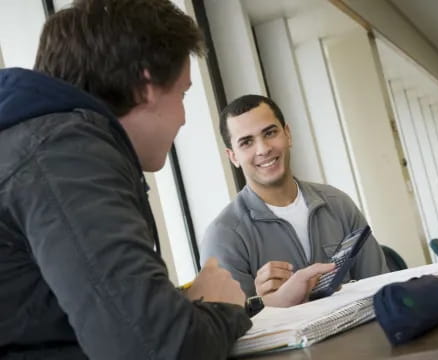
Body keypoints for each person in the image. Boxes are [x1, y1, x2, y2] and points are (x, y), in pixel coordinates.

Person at [0, 0, 251, 359]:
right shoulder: (64, 156)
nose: (182, 118)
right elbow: (152, 348)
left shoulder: (38, 147)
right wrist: (221, 308)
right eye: (182, 94)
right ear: (146, 84)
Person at [200, 94, 389, 307]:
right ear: (233, 156)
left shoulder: (339, 204)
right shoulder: (223, 237)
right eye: (247, 142)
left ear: (287, 134)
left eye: (270, 133)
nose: (263, 149)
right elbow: (232, 331)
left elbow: (381, 288)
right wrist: (267, 303)